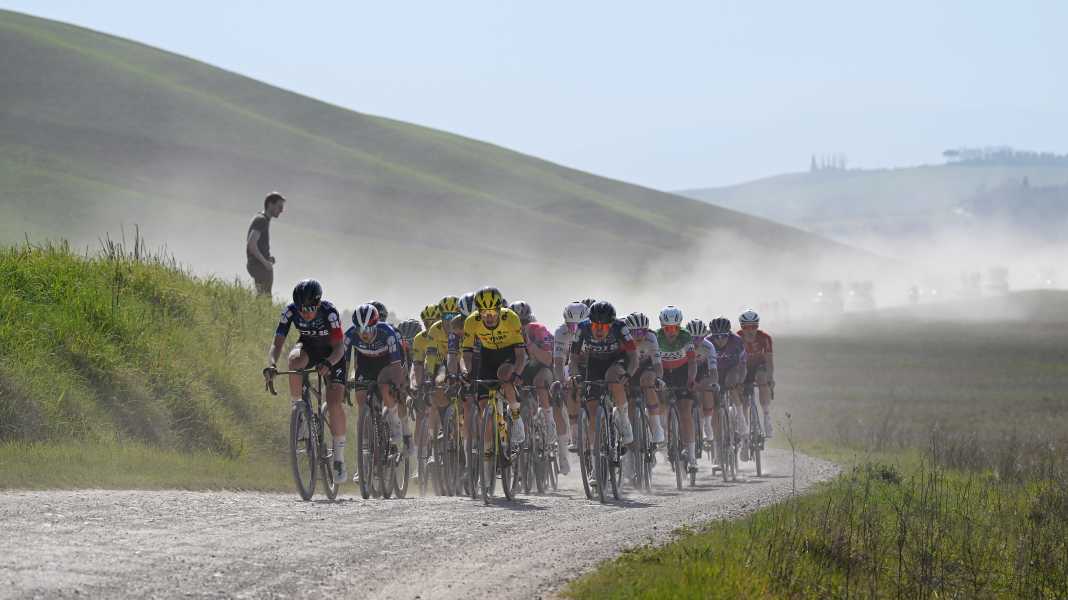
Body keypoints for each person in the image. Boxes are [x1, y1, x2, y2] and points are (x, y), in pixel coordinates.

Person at [263, 279, 348, 482]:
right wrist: (272, 364)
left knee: (334, 401)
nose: (305, 313)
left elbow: (340, 347)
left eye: (310, 308)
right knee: (293, 361)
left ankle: (339, 459)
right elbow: (277, 344)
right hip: (308, 347)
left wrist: (328, 363)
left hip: (332, 353)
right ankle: (299, 411)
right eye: (301, 309)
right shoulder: (290, 312)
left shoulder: (330, 312)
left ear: (318, 303)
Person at [569, 300, 638, 489]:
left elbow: (634, 357)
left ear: (611, 324)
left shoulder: (621, 328)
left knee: (613, 378)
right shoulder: (582, 329)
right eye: (595, 325)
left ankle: (623, 417)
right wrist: (574, 375)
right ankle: (595, 467)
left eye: (604, 326)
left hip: (617, 361)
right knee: (592, 411)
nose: (599, 329)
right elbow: (573, 358)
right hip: (594, 364)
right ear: (590, 323)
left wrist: (629, 374)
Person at [462, 287, 528, 447]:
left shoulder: (511, 318)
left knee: (505, 376)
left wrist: (517, 373)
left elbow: (521, 355)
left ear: (499, 309)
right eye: (484, 312)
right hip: (488, 355)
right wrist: (466, 370)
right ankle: (489, 458)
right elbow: (466, 353)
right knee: (484, 407)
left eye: (492, 311)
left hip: (509, 352)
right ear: (478, 311)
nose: (489, 316)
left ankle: (516, 417)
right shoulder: (471, 321)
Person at [346, 304, 408, 464]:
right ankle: (365, 454)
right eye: (360, 329)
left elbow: (396, 365)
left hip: (387, 362)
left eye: (368, 329)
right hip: (366, 364)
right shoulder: (350, 335)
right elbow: (344, 362)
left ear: (376, 325)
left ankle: (395, 424)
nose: (364, 333)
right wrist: (344, 383)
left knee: (384, 385)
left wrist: (398, 386)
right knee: (361, 400)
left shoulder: (387, 333)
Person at [510, 300, 560, 465]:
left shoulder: (538, 330)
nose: (521, 326)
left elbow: (548, 359)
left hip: (542, 368)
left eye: (524, 322)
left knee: (540, 381)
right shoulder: (508, 333)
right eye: (517, 323)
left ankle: (548, 420)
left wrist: (531, 345)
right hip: (522, 371)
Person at [655, 306, 699, 473]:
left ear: (679, 326)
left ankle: (692, 456)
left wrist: (691, 379)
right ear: (662, 327)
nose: (671, 332)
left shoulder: (686, 336)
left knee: (685, 412)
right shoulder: (656, 337)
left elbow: (693, 362)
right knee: (660, 406)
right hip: (663, 372)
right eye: (667, 328)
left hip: (682, 372)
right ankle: (664, 438)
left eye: (675, 328)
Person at [553, 301, 591, 470]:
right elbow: (559, 362)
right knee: (569, 386)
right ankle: (575, 433)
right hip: (573, 365)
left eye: (577, 325)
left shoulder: (593, 330)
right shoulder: (561, 332)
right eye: (570, 325)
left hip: (592, 364)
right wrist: (561, 381)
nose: (573, 329)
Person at [708, 317, 749, 459]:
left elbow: (743, 364)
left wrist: (741, 381)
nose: (720, 340)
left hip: (733, 369)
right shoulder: (707, 343)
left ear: (729, 334)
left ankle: (741, 418)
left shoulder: (737, 341)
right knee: (714, 407)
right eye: (716, 336)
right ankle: (717, 449)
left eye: (723, 336)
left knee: (731, 383)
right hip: (715, 373)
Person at [624, 312, 664, 444]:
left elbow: (658, 364)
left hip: (646, 367)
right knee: (628, 399)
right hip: (629, 367)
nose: (638, 335)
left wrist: (658, 378)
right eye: (634, 332)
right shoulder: (622, 338)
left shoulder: (652, 337)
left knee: (648, 382)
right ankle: (630, 434)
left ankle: (656, 426)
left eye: (642, 331)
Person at [738, 309, 774, 437]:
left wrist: (770, 378)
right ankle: (745, 435)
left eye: (754, 326)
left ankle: (766, 416)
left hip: (759, 366)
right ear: (742, 327)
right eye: (747, 327)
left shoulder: (765, 338)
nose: (750, 330)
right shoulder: (737, 338)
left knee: (762, 379)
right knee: (744, 402)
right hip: (743, 369)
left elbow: (769, 361)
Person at [246, 192, 284, 295]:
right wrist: (265, 263)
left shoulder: (262, 219)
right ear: (270, 204)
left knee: (261, 297)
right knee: (265, 298)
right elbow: (251, 244)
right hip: (260, 266)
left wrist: (268, 258)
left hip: (258, 265)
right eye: (279, 207)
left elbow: (255, 245)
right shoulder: (261, 220)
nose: (282, 210)